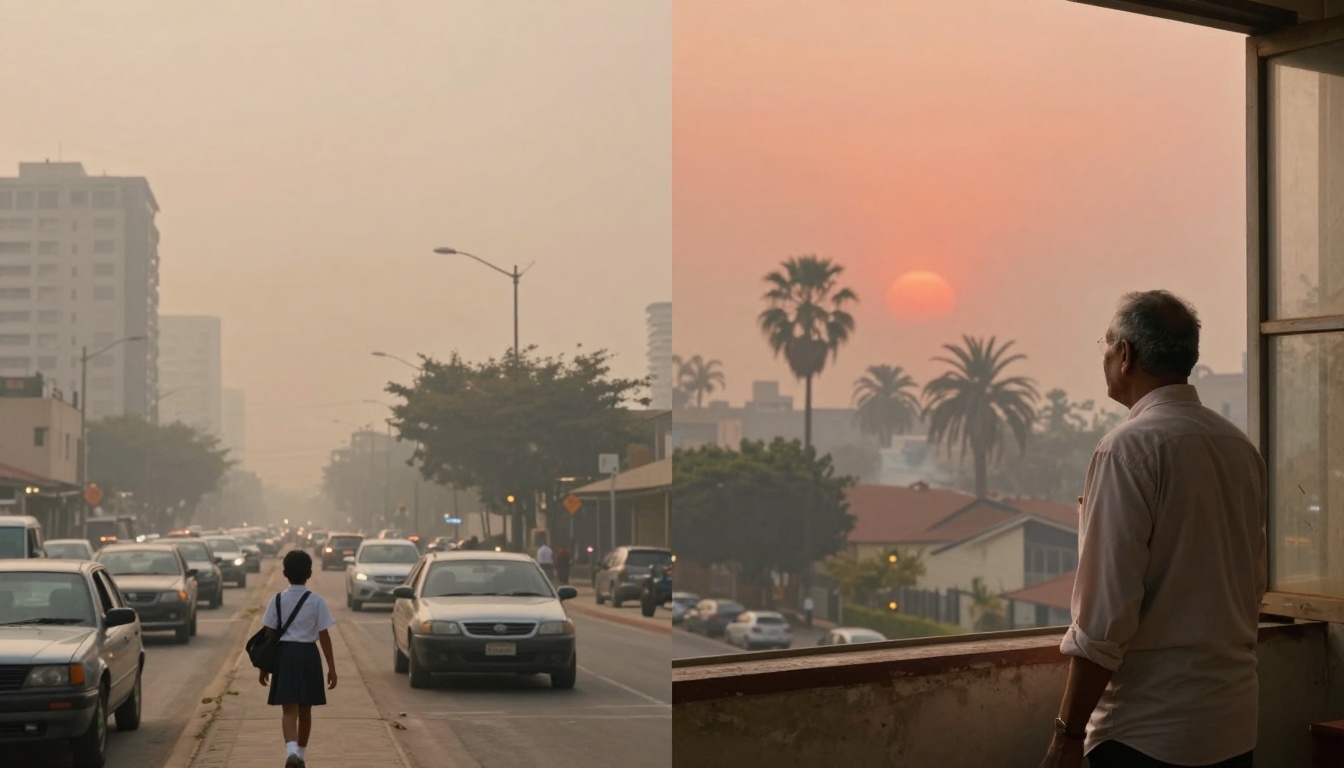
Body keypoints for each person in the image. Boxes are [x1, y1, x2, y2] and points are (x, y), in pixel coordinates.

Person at [1040, 291, 1266, 768]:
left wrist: (1067, 734)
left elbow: (1103, 619)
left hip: (1146, 735)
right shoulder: (1238, 447)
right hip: (1232, 725)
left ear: (1126, 355)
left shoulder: (1126, 451)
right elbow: (1253, 584)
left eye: (1106, 344)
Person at [258, 550, 338, 768]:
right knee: (306, 709)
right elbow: (324, 636)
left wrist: (264, 668)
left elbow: (268, 634)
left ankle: (291, 750)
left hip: (284, 656)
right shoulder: (316, 601)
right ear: (310, 573)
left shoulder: (276, 601)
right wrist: (331, 667)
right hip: (308, 656)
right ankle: (301, 755)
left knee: (289, 710)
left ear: (284, 573)